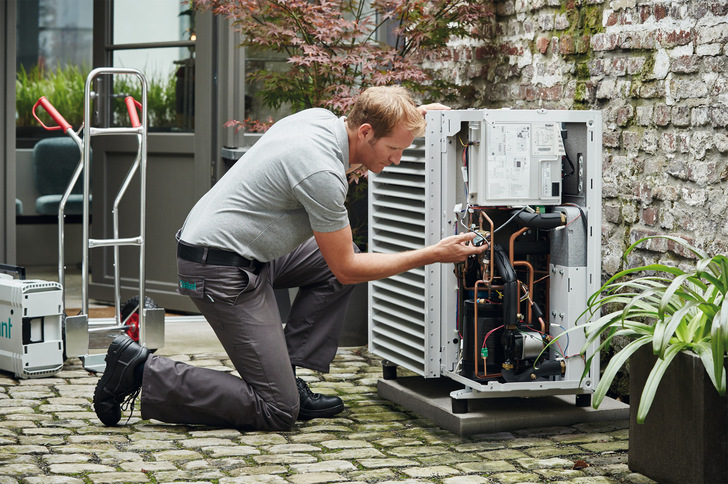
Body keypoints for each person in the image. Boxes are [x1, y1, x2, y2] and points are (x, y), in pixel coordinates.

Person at [93, 85, 488, 430]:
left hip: (243, 251)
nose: (398, 159)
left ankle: (287, 371)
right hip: (217, 269)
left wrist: (413, 117)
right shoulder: (320, 172)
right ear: (366, 133)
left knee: (332, 261)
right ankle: (142, 371)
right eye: (394, 149)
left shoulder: (320, 122)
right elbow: (347, 270)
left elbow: (375, 117)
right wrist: (433, 254)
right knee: (278, 409)